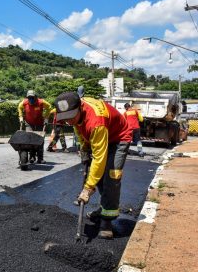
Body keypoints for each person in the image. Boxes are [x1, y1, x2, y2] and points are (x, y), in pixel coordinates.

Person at [53, 92, 132, 239]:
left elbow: (99, 158)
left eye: (71, 117)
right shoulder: (75, 114)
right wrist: (84, 147)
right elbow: (78, 126)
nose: (69, 121)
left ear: (80, 108)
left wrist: (88, 188)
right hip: (98, 136)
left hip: (118, 138)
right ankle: (104, 207)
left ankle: (107, 222)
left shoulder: (97, 122)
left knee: (111, 177)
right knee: (100, 177)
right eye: (66, 119)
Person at [18, 90, 52, 164]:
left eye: (32, 98)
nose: (31, 99)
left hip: (39, 123)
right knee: (30, 140)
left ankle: (40, 158)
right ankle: (32, 157)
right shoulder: (24, 103)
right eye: (29, 98)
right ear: (27, 98)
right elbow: (19, 107)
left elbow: (49, 107)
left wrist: (46, 118)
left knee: (40, 140)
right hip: (29, 123)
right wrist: (21, 117)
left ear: (35, 97)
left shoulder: (41, 102)